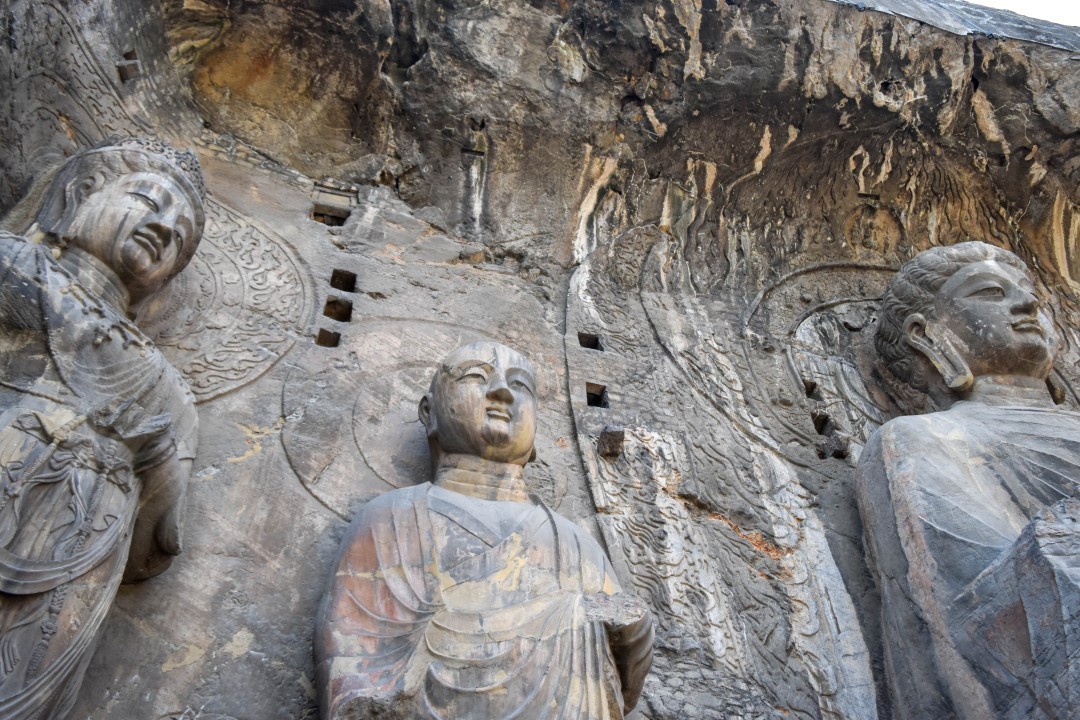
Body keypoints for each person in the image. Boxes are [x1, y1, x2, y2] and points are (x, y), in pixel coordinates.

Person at [316, 341, 654, 719]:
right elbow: (351, 658)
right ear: (429, 413)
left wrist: (633, 632)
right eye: (477, 376)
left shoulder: (574, 542)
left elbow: (624, 681)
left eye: (519, 384)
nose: (501, 391)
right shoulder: (392, 518)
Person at [0, 136, 205, 719]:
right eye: (147, 199)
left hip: (80, 552)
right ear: (80, 194)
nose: (165, 228)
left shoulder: (167, 385)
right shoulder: (12, 264)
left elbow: (153, 537)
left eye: (182, 236)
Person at [857, 241, 1078, 719]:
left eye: (1026, 291)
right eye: (991, 293)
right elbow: (967, 599)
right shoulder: (925, 438)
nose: (1028, 304)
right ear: (927, 333)